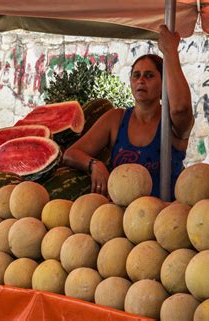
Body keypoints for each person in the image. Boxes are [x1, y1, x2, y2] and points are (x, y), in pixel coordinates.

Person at [63, 25, 193, 199]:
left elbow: (181, 108)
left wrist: (170, 52)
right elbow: (71, 154)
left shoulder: (171, 121)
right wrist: (94, 164)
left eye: (149, 75)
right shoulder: (116, 119)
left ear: (163, 83)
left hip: (166, 219)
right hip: (120, 220)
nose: (140, 80)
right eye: (136, 75)